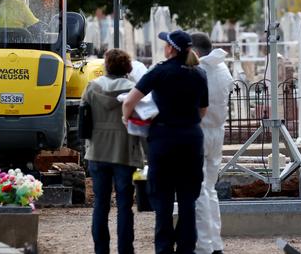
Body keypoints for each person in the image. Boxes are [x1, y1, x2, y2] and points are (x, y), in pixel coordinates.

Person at [122, 30, 209, 254]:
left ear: (170, 48)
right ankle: (186, 248)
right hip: (191, 139)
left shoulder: (160, 71)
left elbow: (130, 100)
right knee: (188, 199)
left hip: (164, 139)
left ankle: (164, 248)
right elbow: (203, 110)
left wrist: (126, 118)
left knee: (163, 200)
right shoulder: (199, 73)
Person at [82, 49, 144, 254]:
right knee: (125, 206)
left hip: (98, 151)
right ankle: (125, 249)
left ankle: (101, 250)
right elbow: (142, 123)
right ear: (127, 67)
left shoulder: (92, 88)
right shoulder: (134, 89)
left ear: (106, 65)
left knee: (100, 204)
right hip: (125, 152)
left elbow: (83, 124)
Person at [191, 33, 233, 254]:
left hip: (200, 130)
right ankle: (215, 243)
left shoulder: (199, 71)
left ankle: (203, 245)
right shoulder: (223, 69)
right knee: (210, 189)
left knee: (198, 191)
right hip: (218, 130)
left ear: (195, 52)